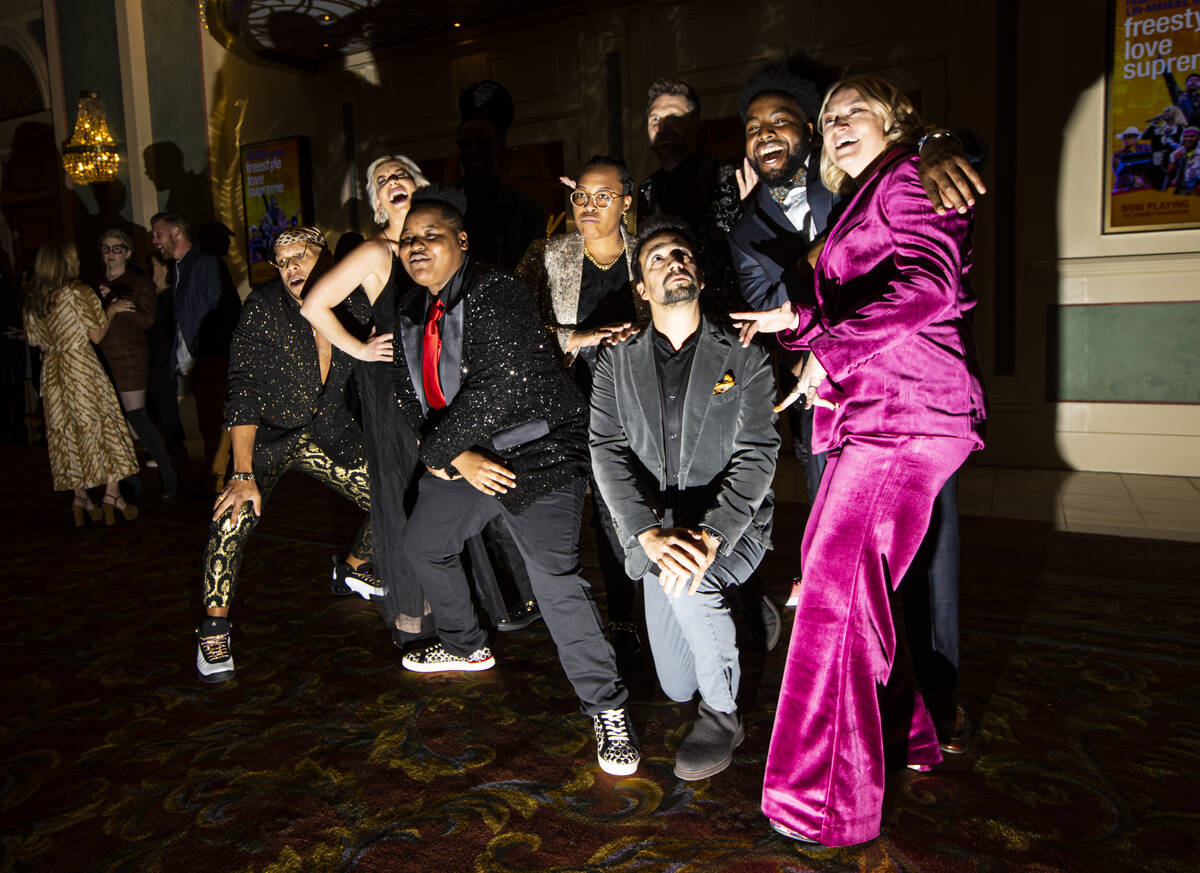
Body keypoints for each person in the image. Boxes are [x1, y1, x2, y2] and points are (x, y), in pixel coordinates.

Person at [732, 74, 987, 847]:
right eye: (830, 114)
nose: (836, 122)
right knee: (842, 579)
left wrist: (827, 341)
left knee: (836, 596)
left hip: (906, 414)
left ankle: (825, 800)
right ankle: (910, 735)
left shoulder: (910, 172)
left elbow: (931, 283)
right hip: (874, 412)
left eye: (854, 111)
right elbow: (869, 289)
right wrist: (802, 320)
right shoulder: (871, 188)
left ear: (897, 119)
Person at [391, 186, 639, 776]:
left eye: (431, 236)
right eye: (407, 240)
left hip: (539, 453)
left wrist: (437, 451)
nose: (417, 247)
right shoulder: (410, 307)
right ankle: (463, 643)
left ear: (462, 240)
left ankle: (608, 708)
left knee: (553, 577)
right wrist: (456, 459)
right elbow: (410, 392)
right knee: (424, 544)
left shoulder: (495, 292)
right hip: (466, 456)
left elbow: (503, 388)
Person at [589, 216, 779, 780]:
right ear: (642, 290)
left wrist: (711, 535)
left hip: (729, 524)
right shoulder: (615, 362)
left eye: (682, 253)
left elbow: (758, 455)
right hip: (653, 528)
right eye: (657, 259)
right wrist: (646, 532)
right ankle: (745, 608)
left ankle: (723, 716)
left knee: (693, 581)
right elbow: (606, 450)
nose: (674, 262)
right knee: (674, 682)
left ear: (697, 271)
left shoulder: (745, 356)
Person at [301, 155, 518, 646]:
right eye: (382, 181)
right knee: (410, 494)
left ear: (421, 188)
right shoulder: (379, 253)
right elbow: (314, 304)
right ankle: (422, 617)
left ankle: (470, 606)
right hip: (396, 392)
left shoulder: (438, 244)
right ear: (379, 204)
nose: (392, 182)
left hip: (440, 385)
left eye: (401, 174)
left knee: (458, 492)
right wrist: (358, 347)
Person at [194, 227, 382, 684]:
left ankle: (353, 571)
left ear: (329, 257)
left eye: (302, 254)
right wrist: (241, 472)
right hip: (267, 440)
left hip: (329, 434)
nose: (292, 266)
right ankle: (214, 627)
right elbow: (243, 393)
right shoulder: (261, 310)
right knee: (232, 515)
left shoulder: (355, 303)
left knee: (393, 496)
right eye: (283, 261)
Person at [516, 154, 646, 655]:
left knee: (618, 507)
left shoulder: (647, 254)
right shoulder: (548, 254)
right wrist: (578, 336)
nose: (588, 206)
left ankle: (623, 617)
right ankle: (547, 605)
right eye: (581, 197)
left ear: (627, 203)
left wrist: (640, 336)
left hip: (631, 403)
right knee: (557, 506)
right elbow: (514, 331)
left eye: (603, 197)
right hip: (564, 401)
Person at [22, 242, 139, 525]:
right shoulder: (77, 292)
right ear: (64, 262)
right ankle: (112, 495)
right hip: (81, 366)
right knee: (103, 424)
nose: (78, 263)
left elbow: (33, 339)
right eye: (73, 258)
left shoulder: (35, 297)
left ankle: (81, 498)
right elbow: (97, 335)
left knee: (65, 431)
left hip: (52, 370)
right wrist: (110, 310)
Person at [150, 213, 241, 488]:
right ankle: (218, 476)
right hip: (202, 356)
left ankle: (222, 479)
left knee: (215, 418)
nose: (155, 240)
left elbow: (218, 310)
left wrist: (203, 348)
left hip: (213, 354)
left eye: (158, 233)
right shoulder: (181, 267)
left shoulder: (205, 263)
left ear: (176, 232)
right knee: (209, 419)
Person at [95, 229, 180, 497]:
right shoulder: (94, 284)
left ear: (127, 253)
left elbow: (146, 320)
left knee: (137, 418)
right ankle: (128, 480)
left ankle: (169, 476)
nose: (111, 255)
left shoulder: (139, 283)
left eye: (116, 249)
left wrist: (118, 300)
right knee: (113, 421)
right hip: (101, 358)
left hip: (129, 358)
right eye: (106, 249)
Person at [456, 80, 546, 269]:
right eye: (466, 143)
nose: (473, 151)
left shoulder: (527, 211)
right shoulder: (442, 207)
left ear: (500, 145)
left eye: (482, 143)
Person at [144, 250, 187, 461]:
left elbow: (167, 329)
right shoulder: (150, 294)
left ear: (163, 268)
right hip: (149, 357)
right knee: (152, 405)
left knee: (166, 406)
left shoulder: (170, 296)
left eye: (152, 265)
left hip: (162, 358)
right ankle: (160, 449)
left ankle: (175, 449)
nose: (149, 270)